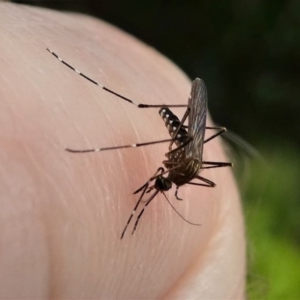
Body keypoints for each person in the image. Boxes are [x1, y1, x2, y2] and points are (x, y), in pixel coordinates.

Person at [0, 2, 246, 298]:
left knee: (194, 149)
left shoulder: (176, 172)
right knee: (164, 139)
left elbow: (173, 171)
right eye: (163, 183)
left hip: (189, 145)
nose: (159, 181)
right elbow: (176, 165)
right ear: (171, 180)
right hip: (186, 141)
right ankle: (103, 125)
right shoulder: (179, 170)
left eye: (160, 183)